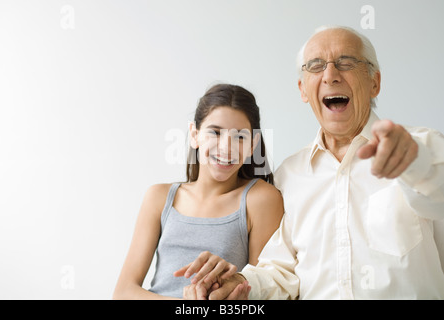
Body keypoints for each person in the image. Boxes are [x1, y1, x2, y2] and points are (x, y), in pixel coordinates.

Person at [185, 25, 444, 300]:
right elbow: (281, 271)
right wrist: (239, 284)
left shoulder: (421, 146)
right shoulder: (290, 174)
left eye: (346, 62)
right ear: (303, 89)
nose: (330, 76)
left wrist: (413, 161)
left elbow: (436, 190)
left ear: (374, 82)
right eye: (316, 66)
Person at [112, 84, 284, 299]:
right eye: (215, 132)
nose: (225, 147)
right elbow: (123, 293)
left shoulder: (260, 199)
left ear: (253, 145)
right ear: (194, 135)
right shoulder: (159, 197)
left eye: (240, 136)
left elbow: (265, 288)